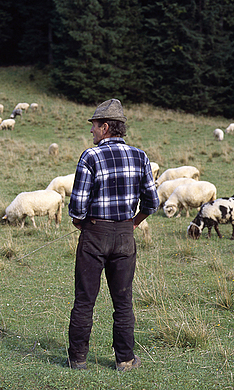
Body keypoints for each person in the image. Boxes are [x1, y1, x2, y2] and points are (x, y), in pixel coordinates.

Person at [67, 98, 159, 371]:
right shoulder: (141, 156)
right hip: (124, 235)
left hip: (95, 234)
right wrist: (132, 223)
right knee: (123, 300)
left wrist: (83, 224)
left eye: (94, 126)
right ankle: (125, 359)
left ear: (105, 127)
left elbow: (77, 206)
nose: (91, 131)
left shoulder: (90, 156)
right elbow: (152, 203)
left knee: (85, 298)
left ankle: (78, 359)